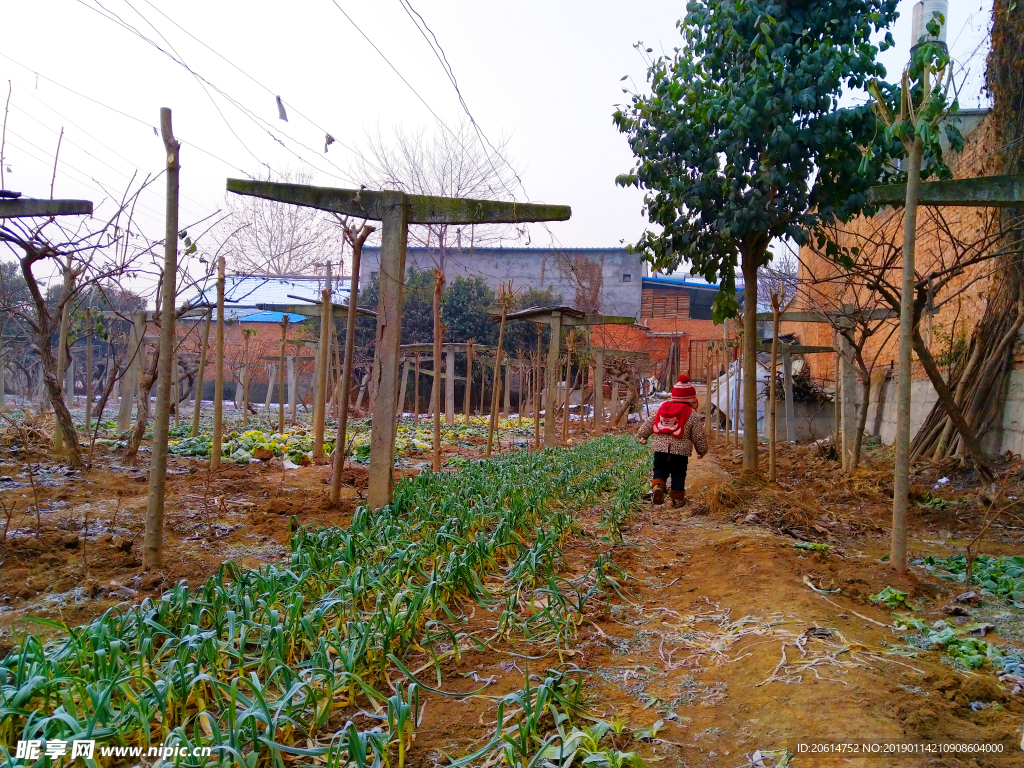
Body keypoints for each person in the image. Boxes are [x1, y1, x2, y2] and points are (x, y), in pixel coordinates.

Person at [637, 374, 707, 507]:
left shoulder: (662, 409)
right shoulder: (691, 414)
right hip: (679, 454)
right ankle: (677, 499)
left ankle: (658, 486)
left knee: (659, 469)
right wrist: (701, 449)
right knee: (678, 474)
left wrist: (642, 435)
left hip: (661, 450)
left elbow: (649, 423)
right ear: (691, 398)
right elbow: (698, 434)